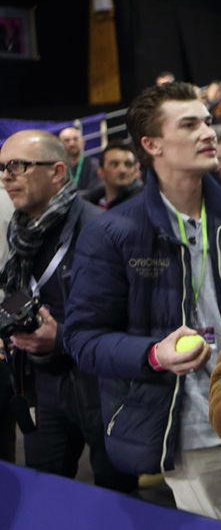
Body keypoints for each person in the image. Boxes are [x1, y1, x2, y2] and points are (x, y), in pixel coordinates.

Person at [65, 81, 221, 524]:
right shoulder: (113, 232)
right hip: (181, 418)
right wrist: (154, 353)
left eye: (207, 121)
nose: (208, 132)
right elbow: (82, 338)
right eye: (188, 124)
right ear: (151, 145)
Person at [0, 130, 136, 493]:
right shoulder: (18, 233)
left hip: (102, 389)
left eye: (18, 166)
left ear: (58, 172)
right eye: (2, 167)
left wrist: (60, 337)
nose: (6, 176)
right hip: (41, 387)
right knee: (44, 495)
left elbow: (131, 321)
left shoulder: (105, 231)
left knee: (116, 498)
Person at [81, 140, 142, 210]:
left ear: (136, 170)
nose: (122, 170)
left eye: (128, 164)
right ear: (100, 171)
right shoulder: (90, 203)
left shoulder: (143, 204)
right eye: (114, 164)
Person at [57, 126, 101, 192]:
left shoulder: (96, 166)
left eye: (75, 139)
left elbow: (96, 191)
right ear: (60, 145)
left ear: (83, 142)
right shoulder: (57, 169)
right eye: (67, 140)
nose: (72, 143)